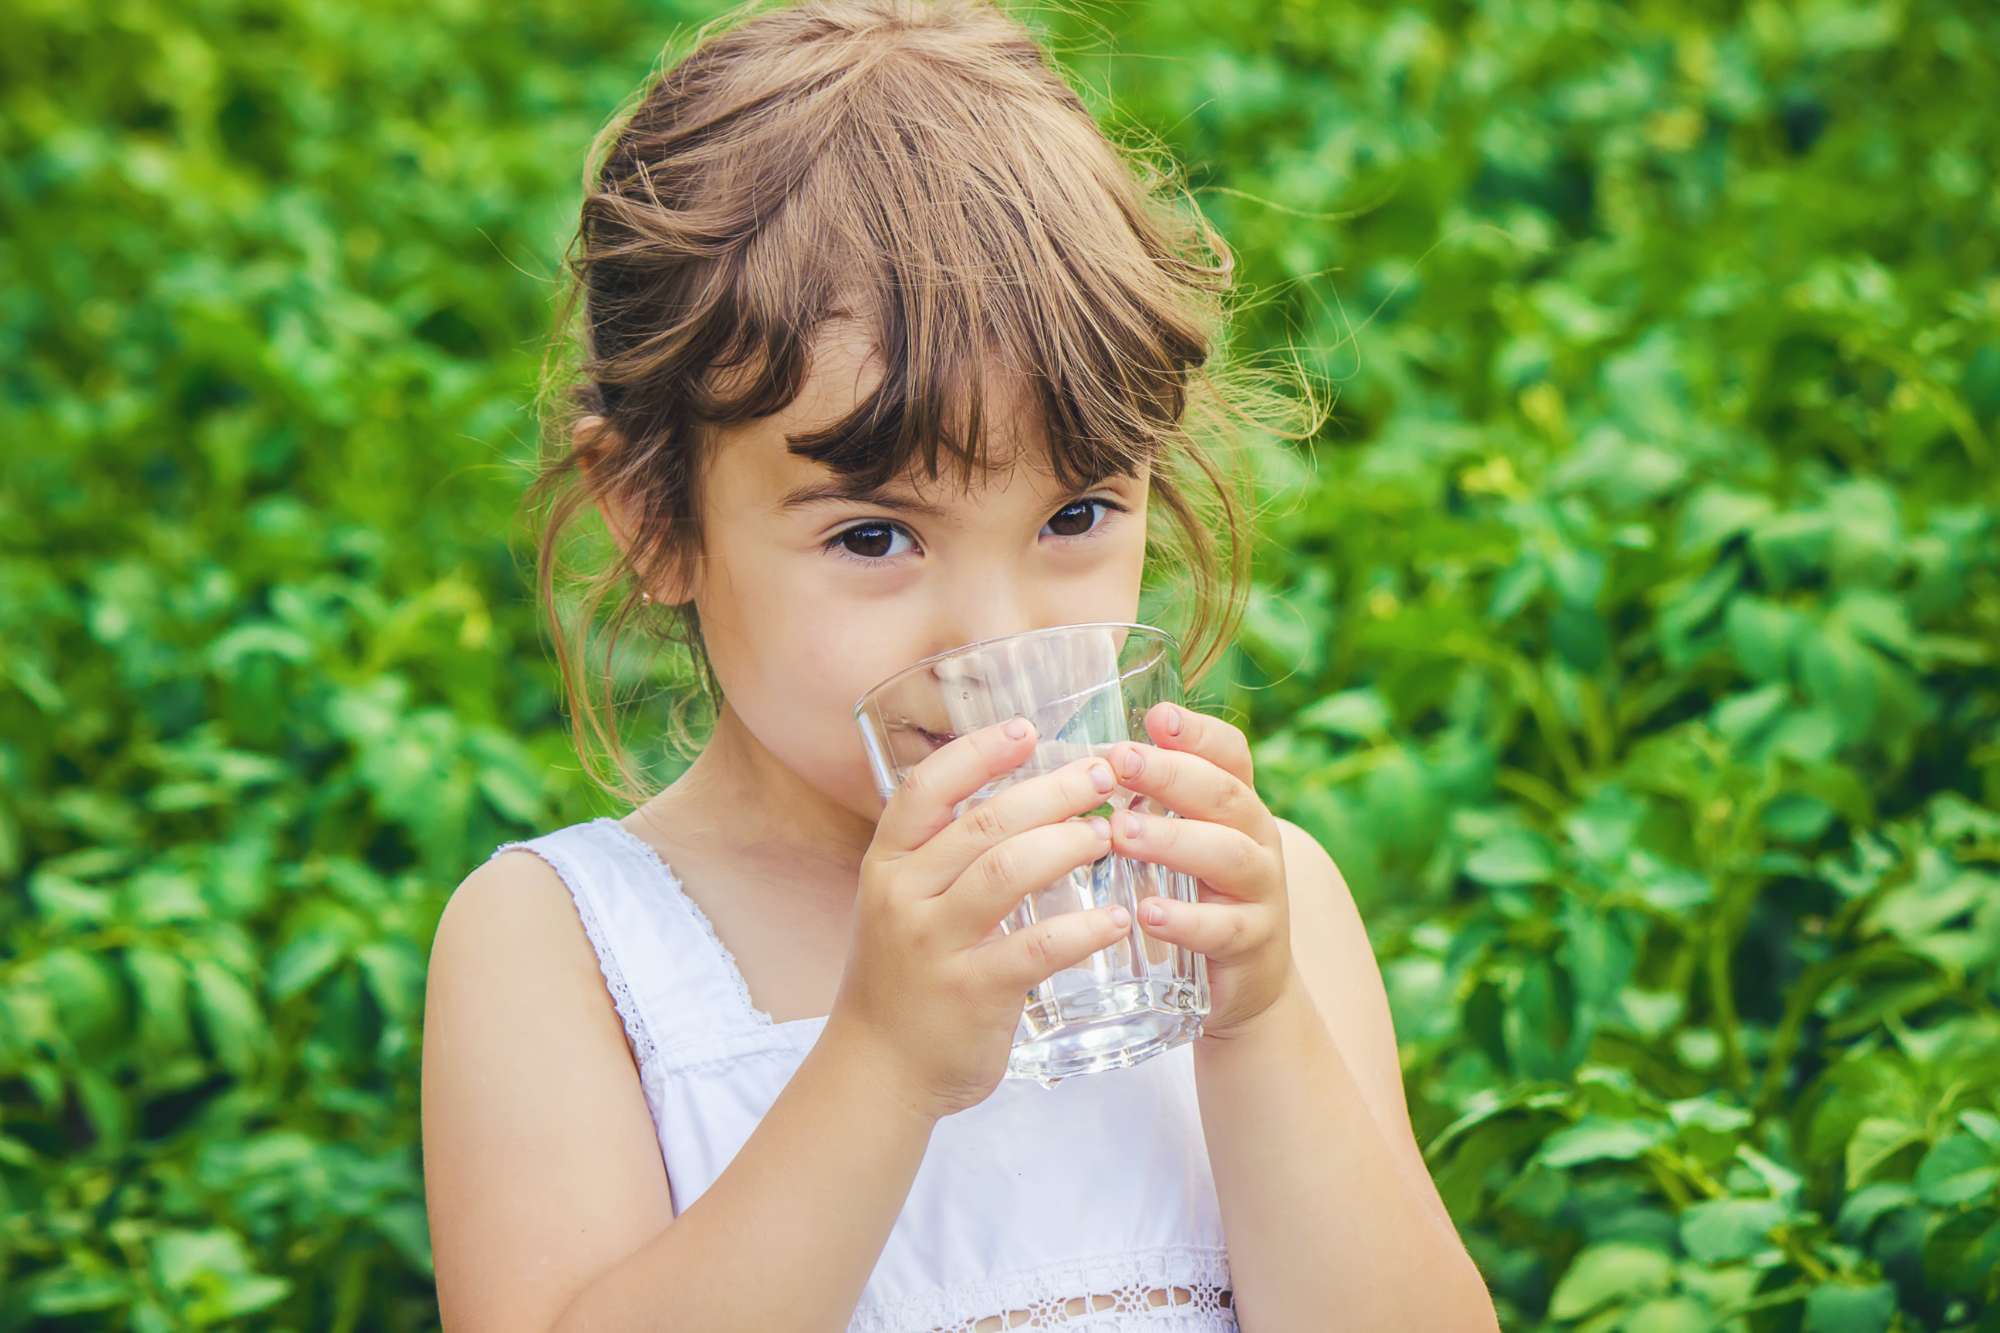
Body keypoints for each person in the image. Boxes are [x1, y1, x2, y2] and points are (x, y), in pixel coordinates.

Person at [420, 1, 1498, 1328]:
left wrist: (1259, 1024)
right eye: (875, 534)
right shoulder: (563, 950)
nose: (993, 635)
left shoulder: (1252, 910)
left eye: (1077, 515)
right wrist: (878, 1060)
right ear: (652, 514)